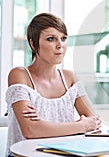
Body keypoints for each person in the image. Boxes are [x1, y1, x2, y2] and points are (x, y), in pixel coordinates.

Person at [5, 13, 101, 156]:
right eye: (51, 39)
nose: (60, 45)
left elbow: (94, 123)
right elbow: (31, 130)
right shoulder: (20, 75)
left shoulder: (70, 78)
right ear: (33, 43)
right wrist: (80, 125)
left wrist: (43, 126)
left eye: (63, 39)